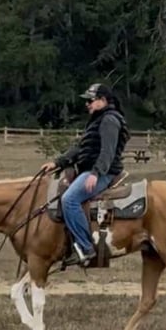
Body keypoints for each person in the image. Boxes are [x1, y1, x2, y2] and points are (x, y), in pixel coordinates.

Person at [40, 82, 130, 267]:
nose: (87, 104)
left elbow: (107, 152)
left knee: (69, 199)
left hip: (102, 172)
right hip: (91, 170)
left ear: (103, 100)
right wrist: (58, 162)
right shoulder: (97, 120)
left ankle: (86, 247)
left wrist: (96, 173)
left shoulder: (110, 120)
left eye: (90, 100)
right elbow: (81, 147)